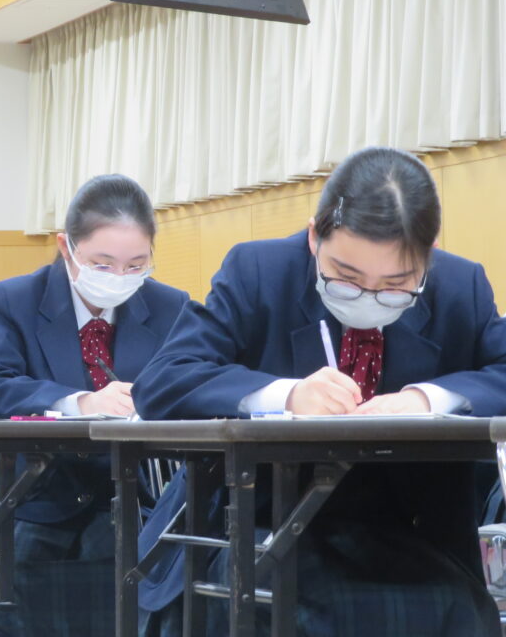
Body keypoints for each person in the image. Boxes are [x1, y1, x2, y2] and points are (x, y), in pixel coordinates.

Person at [133, 146, 506, 637]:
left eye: (396, 285)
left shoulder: (461, 286)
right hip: (262, 525)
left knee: (453, 612)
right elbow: (163, 380)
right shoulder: (258, 272)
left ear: (429, 253)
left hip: (408, 534)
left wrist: (428, 399)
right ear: (314, 237)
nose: (368, 297)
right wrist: (283, 396)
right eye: (346, 279)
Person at [0, 174, 189, 636]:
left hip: (125, 500)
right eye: (102, 264)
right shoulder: (16, 300)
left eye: (136, 264)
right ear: (66, 247)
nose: (119, 278)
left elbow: (188, 383)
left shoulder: (169, 307)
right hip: (27, 498)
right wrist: (81, 402)